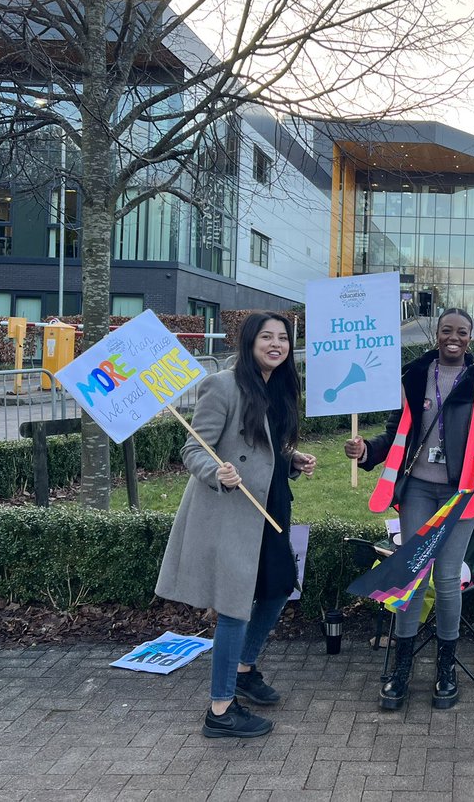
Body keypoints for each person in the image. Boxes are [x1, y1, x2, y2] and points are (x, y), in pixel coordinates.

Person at [156, 312, 317, 738]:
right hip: (232, 510)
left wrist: (292, 459)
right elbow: (194, 447)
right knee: (234, 606)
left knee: (280, 586)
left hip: (270, 508)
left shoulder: (279, 386)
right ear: (249, 342)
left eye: (283, 338)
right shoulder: (223, 385)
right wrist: (216, 473)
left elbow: (267, 445)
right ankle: (220, 710)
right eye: (267, 337)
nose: (276, 344)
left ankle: (244, 668)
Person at [344, 308, 474, 711]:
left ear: (472, 337)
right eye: (447, 330)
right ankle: (402, 670)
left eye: (463, 332)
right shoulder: (413, 375)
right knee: (411, 577)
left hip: (461, 496)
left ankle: (446, 668)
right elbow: (394, 433)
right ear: (436, 334)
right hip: (417, 490)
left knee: (449, 579)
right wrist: (367, 452)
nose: (455, 337)